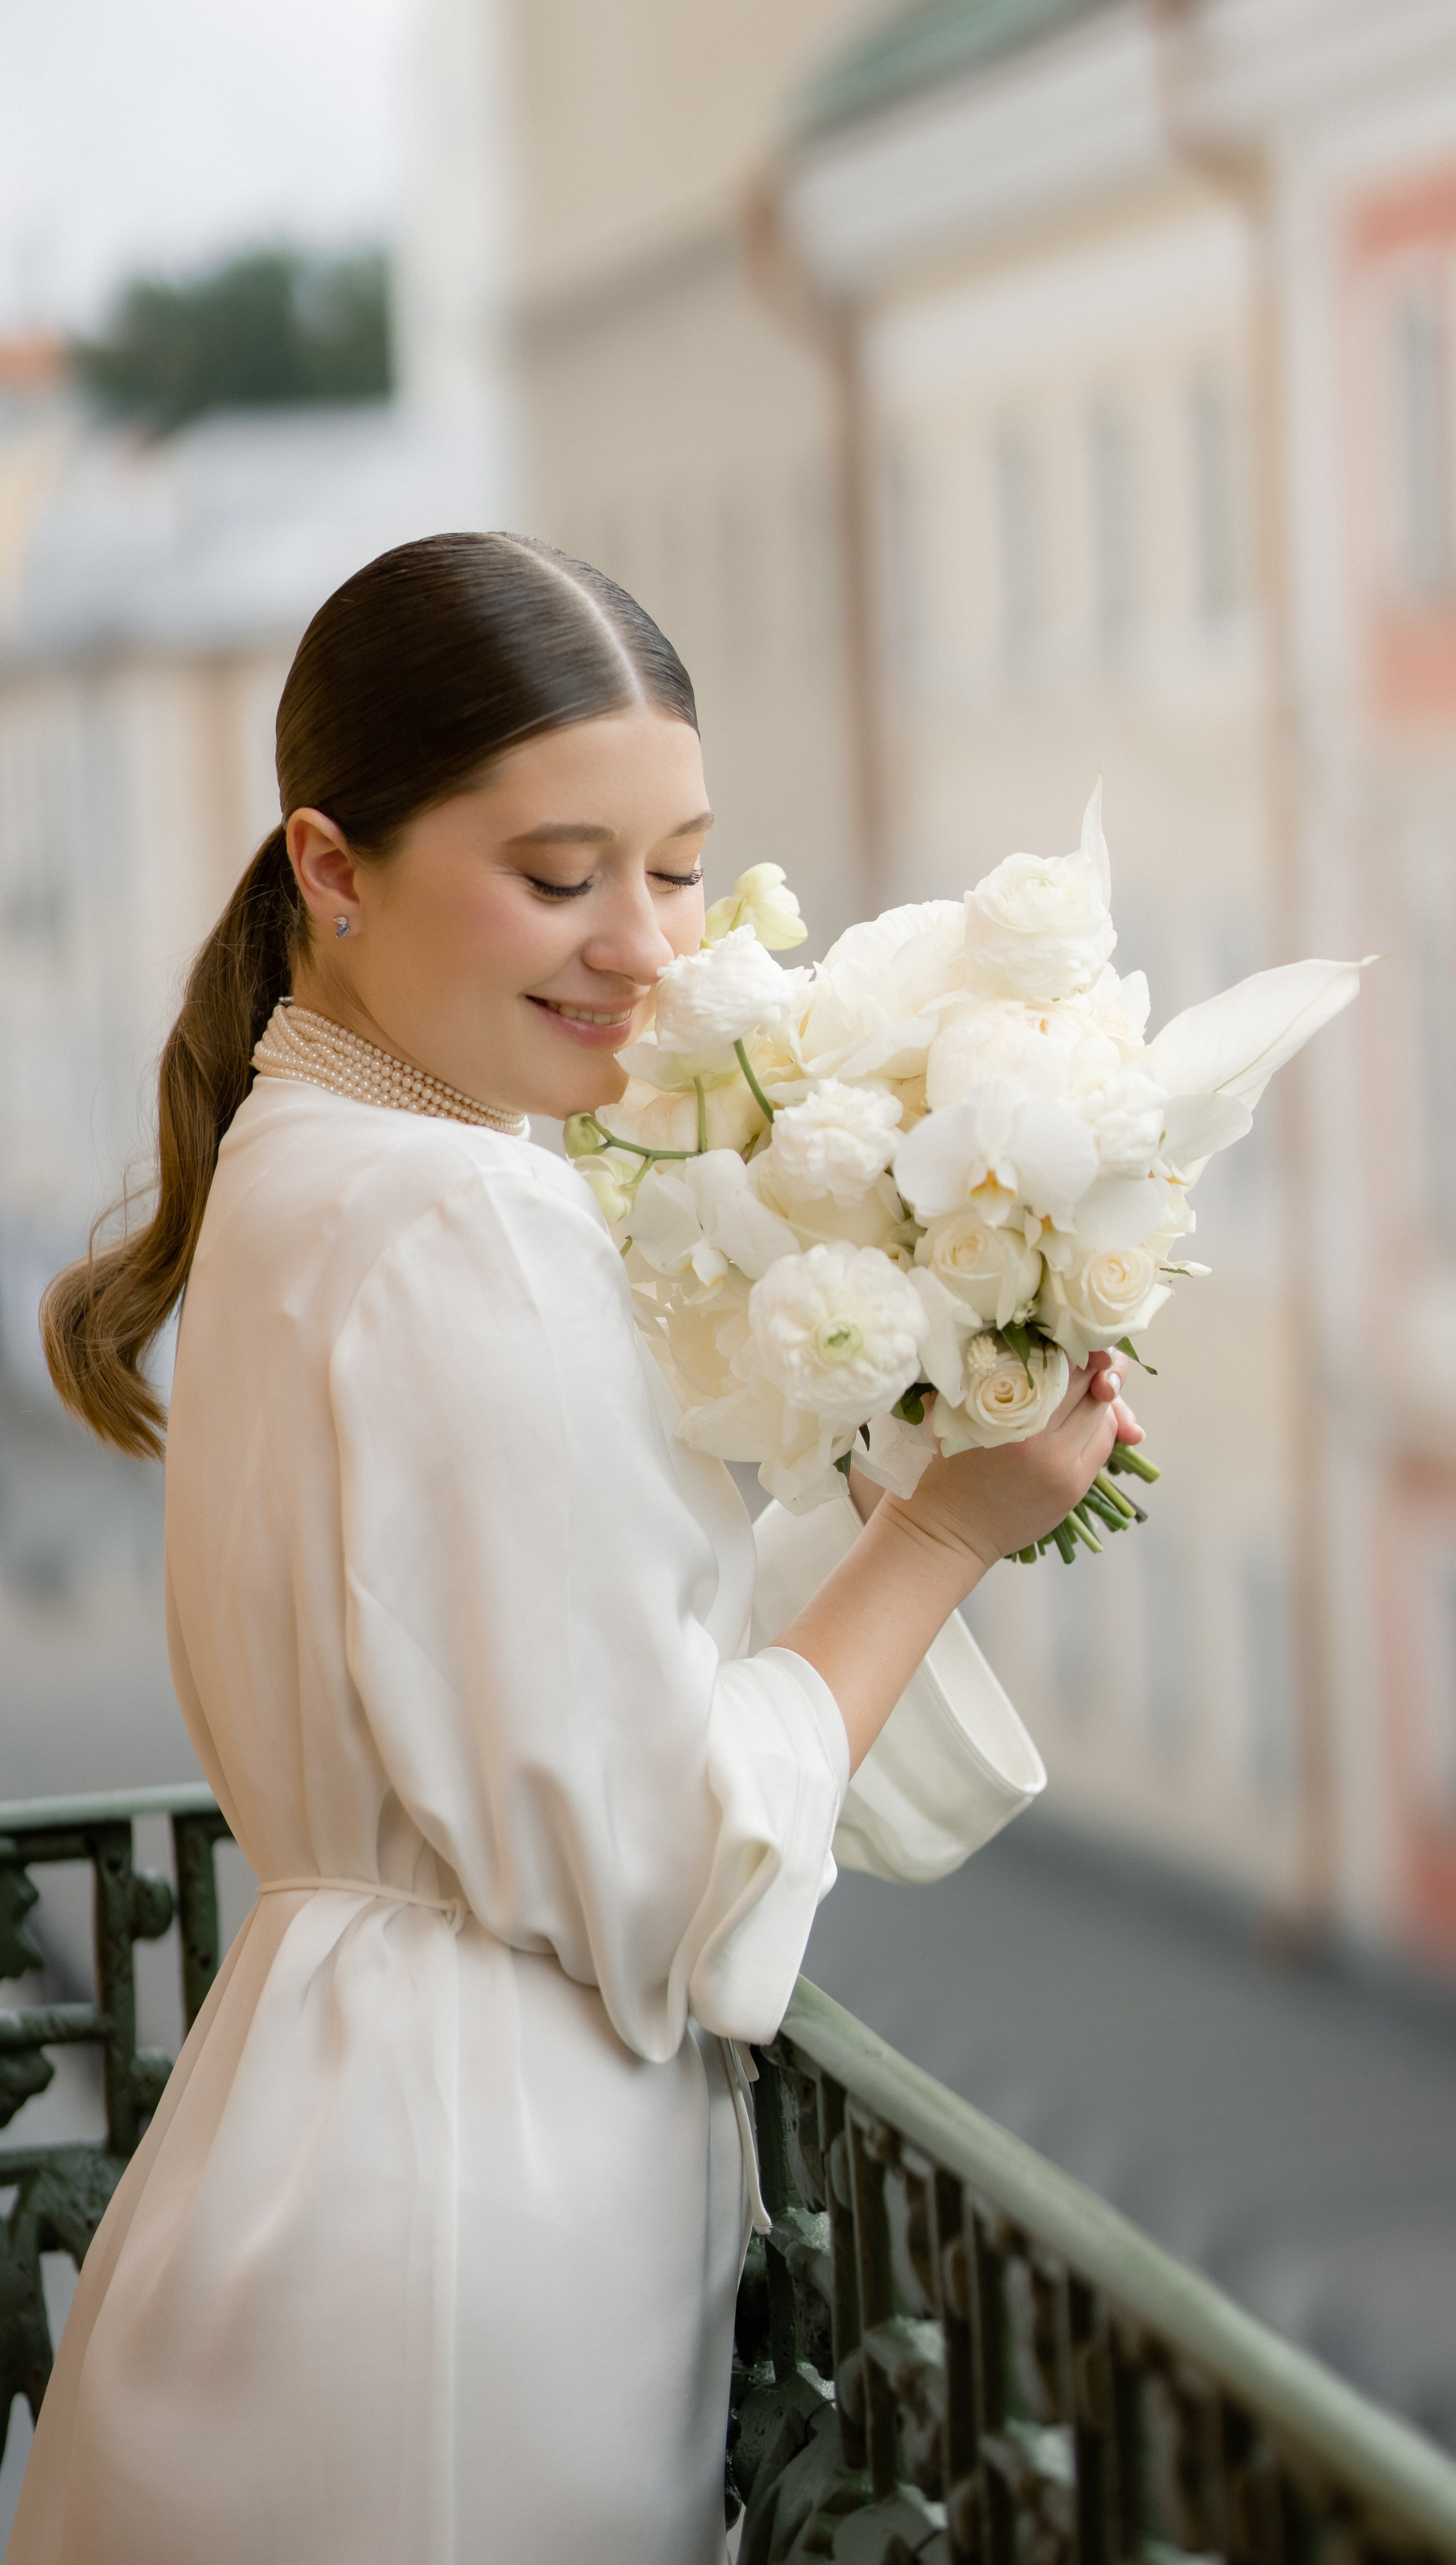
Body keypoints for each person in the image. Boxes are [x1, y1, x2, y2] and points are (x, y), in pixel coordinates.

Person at [21, 532, 1139, 2564]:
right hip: (466, 2241)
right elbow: (673, 1873)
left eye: (682, 866)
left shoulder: (313, 1157)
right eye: (559, 877)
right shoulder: (472, 1216)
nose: (646, 948)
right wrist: (947, 1531)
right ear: (330, 870)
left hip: (306, 2159)